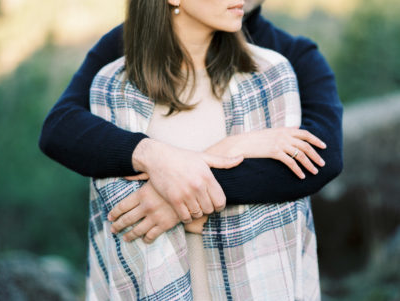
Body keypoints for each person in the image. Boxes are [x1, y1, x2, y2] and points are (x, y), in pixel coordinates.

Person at [81, 0, 335, 300]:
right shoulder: (113, 87)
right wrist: (234, 148)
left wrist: (176, 195)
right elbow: (128, 215)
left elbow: (285, 203)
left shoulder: (272, 75)